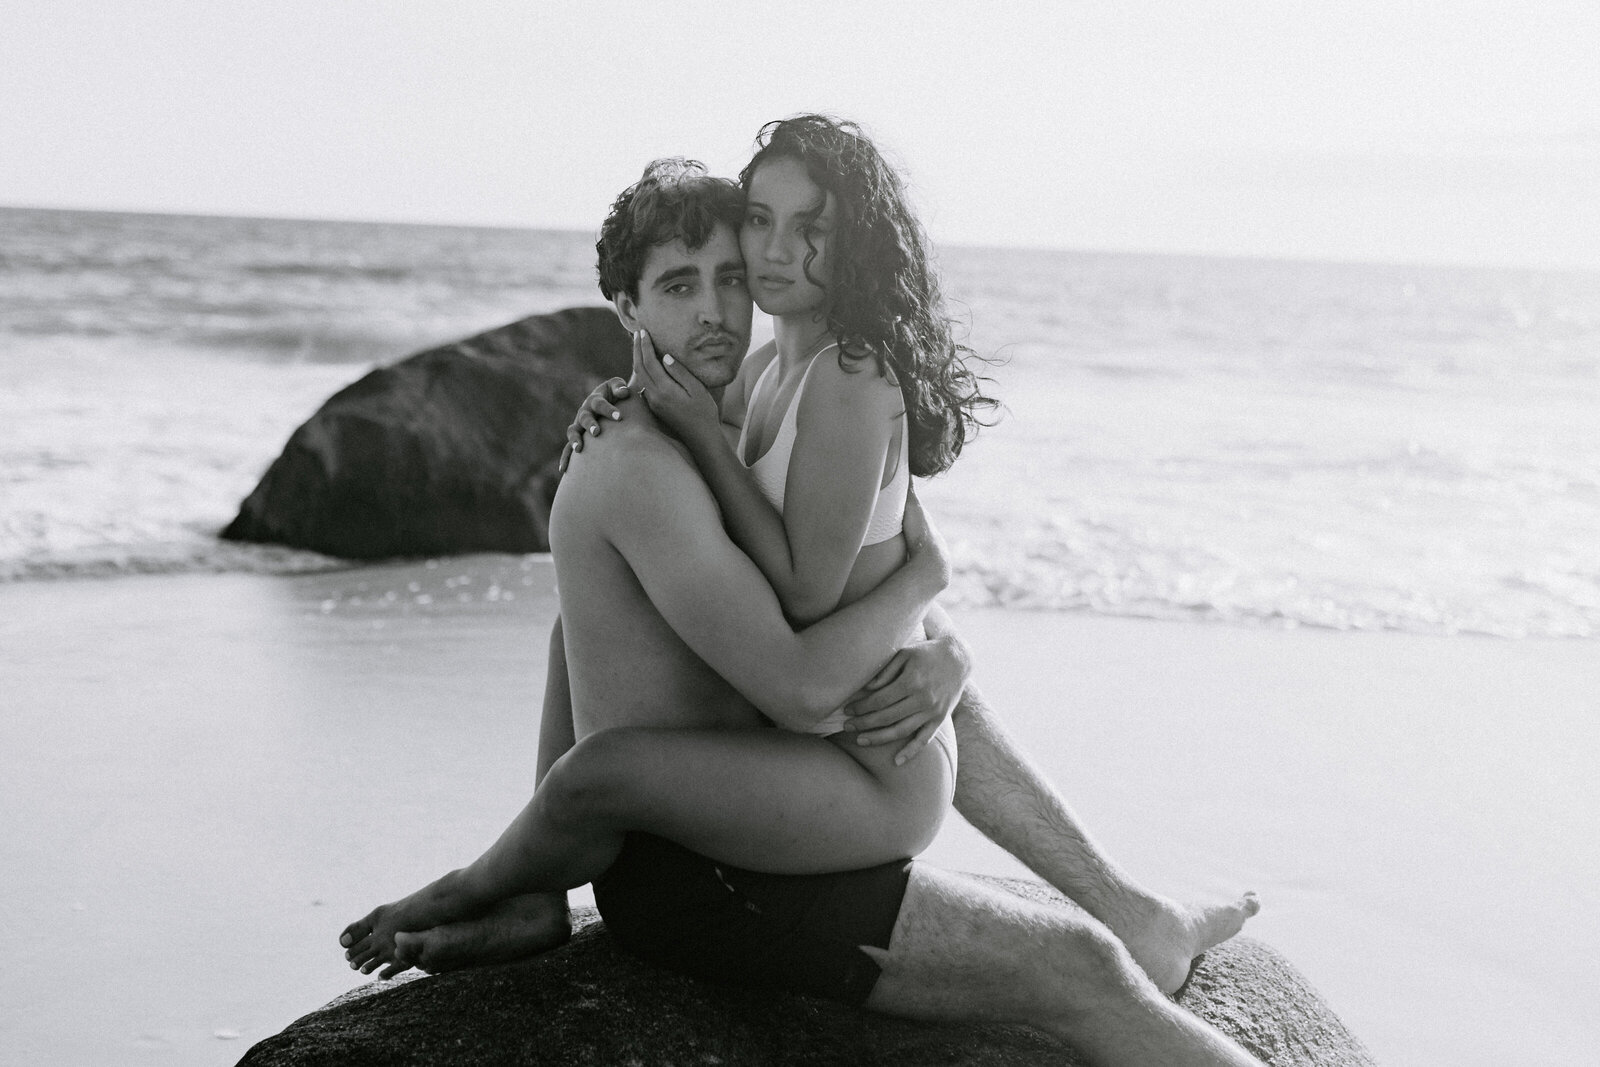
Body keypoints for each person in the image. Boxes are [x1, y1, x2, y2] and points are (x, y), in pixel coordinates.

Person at [342, 133, 1262, 1064]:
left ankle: (1133, 907)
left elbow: (830, 566)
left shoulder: (740, 396)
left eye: (729, 278)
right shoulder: (651, 457)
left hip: (747, 812)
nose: (715, 311)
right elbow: (800, 679)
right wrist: (923, 578)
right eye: (677, 287)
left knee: (909, 664)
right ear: (624, 306)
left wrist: (943, 637)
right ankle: (1129, 931)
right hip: (719, 880)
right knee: (1081, 970)